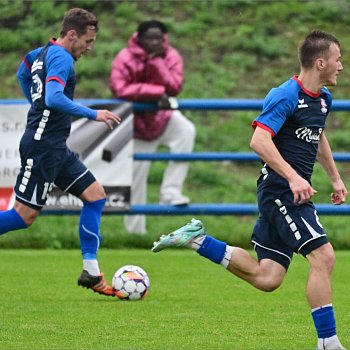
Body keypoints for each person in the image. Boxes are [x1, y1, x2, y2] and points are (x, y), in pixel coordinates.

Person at [152, 30, 348, 349]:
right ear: (320, 62)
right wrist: (294, 178)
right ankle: (328, 342)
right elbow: (259, 140)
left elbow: (318, 135)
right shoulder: (285, 95)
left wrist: (335, 178)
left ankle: (197, 239)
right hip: (282, 193)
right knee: (324, 258)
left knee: (267, 278)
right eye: (338, 60)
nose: (341, 67)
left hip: (288, 192)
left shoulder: (323, 100)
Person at [1, 8, 121, 297]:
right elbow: (54, 97)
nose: (89, 48)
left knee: (95, 196)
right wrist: (94, 114)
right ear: (71, 35)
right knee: (23, 217)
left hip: (55, 147)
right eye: (87, 42)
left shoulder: (42, 52)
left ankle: (91, 270)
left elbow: (22, 70)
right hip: (42, 147)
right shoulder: (62, 58)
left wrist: (35, 101)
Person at [109, 20, 196, 234]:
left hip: (162, 118)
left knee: (186, 130)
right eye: (150, 38)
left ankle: (170, 192)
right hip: (138, 125)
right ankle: (135, 233)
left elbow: (175, 87)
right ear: (138, 38)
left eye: (159, 38)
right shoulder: (124, 57)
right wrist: (156, 93)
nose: (155, 42)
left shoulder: (170, 55)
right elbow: (119, 88)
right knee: (137, 178)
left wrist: (156, 63)